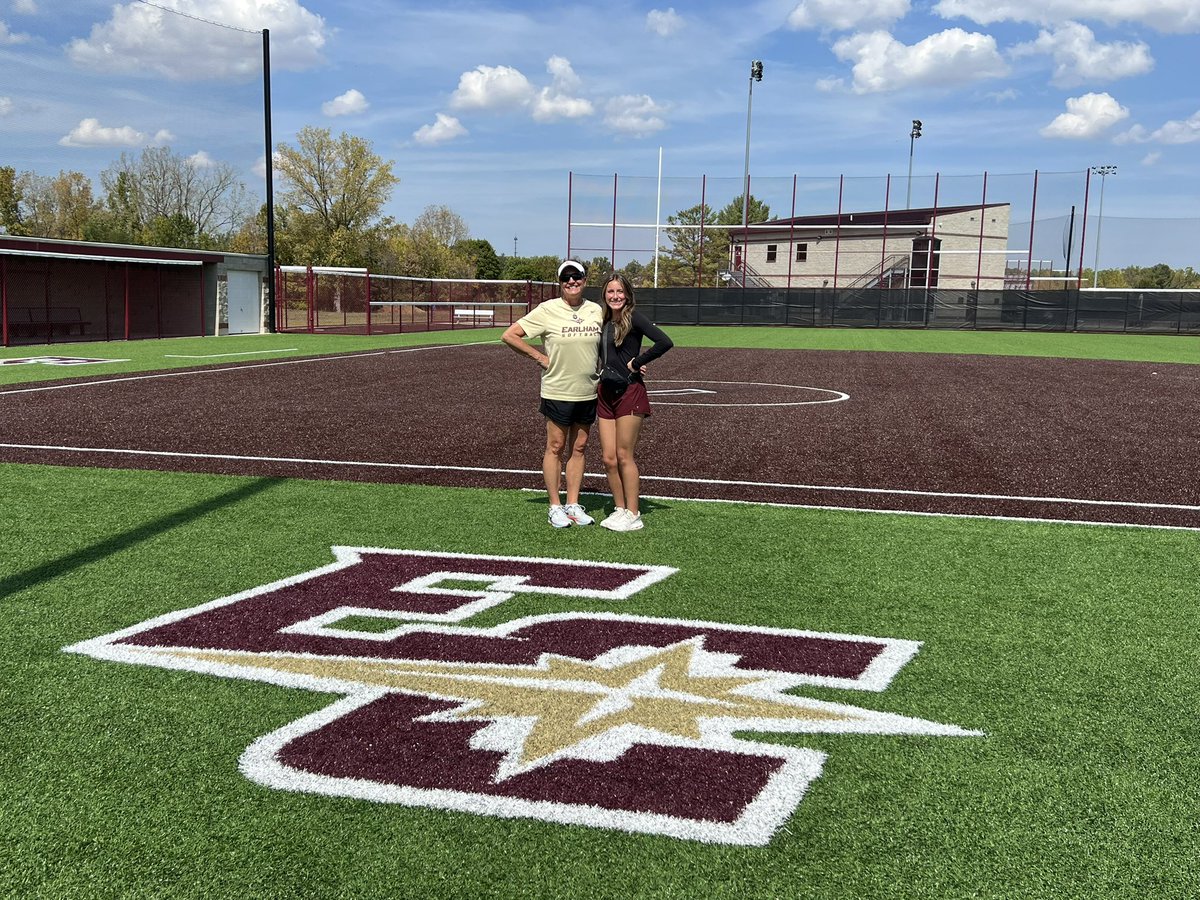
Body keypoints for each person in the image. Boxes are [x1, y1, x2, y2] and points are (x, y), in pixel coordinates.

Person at [502, 259, 603, 528]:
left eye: (577, 276)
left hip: (588, 391)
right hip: (558, 390)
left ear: (584, 279)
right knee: (555, 447)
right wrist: (539, 357)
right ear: (560, 282)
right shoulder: (547, 310)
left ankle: (573, 504)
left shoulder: (596, 310)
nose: (572, 281)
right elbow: (510, 335)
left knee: (579, 448)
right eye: (566, 277)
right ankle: (555, 506)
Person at [595, 272, 673, 532]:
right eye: (610, 292)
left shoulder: (634, 319)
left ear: (627, 295)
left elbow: (664, 341)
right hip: (605, 393)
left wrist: (638, 363)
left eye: (619, 292)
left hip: (630, 392)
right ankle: (619, 509)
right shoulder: (604, 320)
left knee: (624, 455)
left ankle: (633, 513)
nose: (615, 296)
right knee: (608, 458)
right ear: (604, 295)